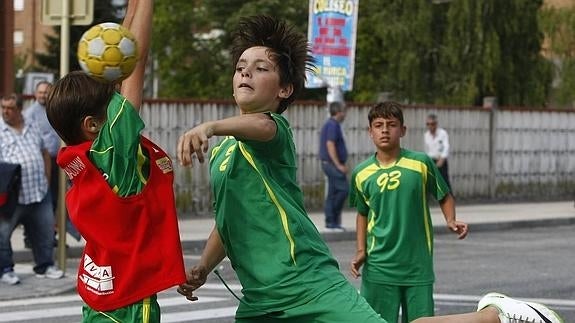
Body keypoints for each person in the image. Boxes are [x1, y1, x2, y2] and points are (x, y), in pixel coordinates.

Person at [175, 15, 563, 323]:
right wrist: (204, 266)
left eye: (260, 68)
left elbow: (259, 126)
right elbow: (229, 220)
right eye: (242, 66)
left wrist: (209, 126)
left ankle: (496, 316)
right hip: (260, 297)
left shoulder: (272, 131)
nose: (245, 72)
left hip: (306, 281)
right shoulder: (225, 152)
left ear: (285, 90)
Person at [45, 1, 186, 321]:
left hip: (100, 297)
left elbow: (124, 53)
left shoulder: (82, 156)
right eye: (113, 100)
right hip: (130, 303)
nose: (120, 97)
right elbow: (136, 62)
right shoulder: (114, 156)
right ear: (93, 125)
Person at [349, 101, 467, 322]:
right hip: (378, 269)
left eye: (391, 124)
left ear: (402, 130)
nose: (385, 130)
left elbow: (444, 194)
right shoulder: (361, 173)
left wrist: (451, 220)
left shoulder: (421, 163)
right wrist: (360, 251)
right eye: (378, 125)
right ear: (370, 132)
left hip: (417, 267)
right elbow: (362, 213)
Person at [0, 93, 64, 285]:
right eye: (3, 107)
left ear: (19, 109)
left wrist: (46, 178)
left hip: (38, 191)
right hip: (12, 196)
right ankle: (5, 268)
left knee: (45, 232)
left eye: (10, 108)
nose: (5, 112)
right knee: (3, 234)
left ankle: (44, 265)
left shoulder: (31, 124)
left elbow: (44, 152)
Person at [319, 100, 349, 231]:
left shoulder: (331, 124)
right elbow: (330, 145)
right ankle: (332, 221)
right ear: (338, 112)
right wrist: (338, 165)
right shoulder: (333, 125)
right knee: (343, 189)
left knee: (332, 193)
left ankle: (332, 222)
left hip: (330, 164)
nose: (345, 115)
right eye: (344, 111)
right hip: (332, 164)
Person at [424, 114, 451, 190]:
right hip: (431, 160)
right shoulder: (426, 135)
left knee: (444, 181)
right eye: (428, 124)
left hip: (441, 159)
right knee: (429, 181)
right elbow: (427, 150)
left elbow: (446, 147)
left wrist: (442, 159)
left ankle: (450, 199)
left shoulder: (443, 133)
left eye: (432, 124)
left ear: (436, 124)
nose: (430, 126)